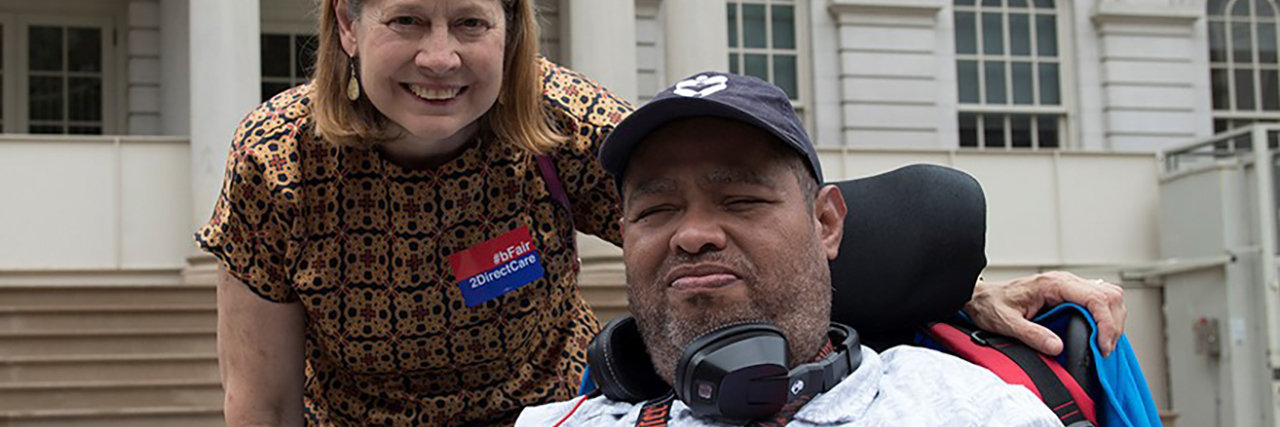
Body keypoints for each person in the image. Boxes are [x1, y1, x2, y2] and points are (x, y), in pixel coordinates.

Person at [196, 0, 1123, 425]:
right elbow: (262, 401)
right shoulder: (277, 160)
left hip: (545, 409)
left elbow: (743, 216)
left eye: (470, 22)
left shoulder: (557, 122)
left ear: (510, 30)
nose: (440, 57)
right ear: (347, 25)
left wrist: (965, 295)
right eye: (407, 21)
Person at [516, 72, 1063, 426]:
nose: (692, 234)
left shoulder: (974, 410)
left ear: (826, 223)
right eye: (656, 210)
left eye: (741, 200)